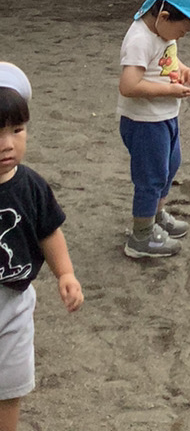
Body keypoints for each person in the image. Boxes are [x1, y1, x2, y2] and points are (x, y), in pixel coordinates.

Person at [0, 62, 83, 431]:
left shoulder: (31, 185)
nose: (7, 144)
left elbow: (48, 231)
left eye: (17, 130)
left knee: (10, 386)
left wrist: (64, 272)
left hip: (14, 304)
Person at [118, 0, 190, 259]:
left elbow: (167, 58)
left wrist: (184, 69)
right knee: (150, 177)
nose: (182, 36)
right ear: (163, 16)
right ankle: (141, 236)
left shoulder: (162, 33)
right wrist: (168, 91)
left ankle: (156, 214)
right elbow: (129, 85)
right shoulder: (139, 39)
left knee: (169, 167)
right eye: (183, 30)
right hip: (144, 121)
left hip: (163, 117)